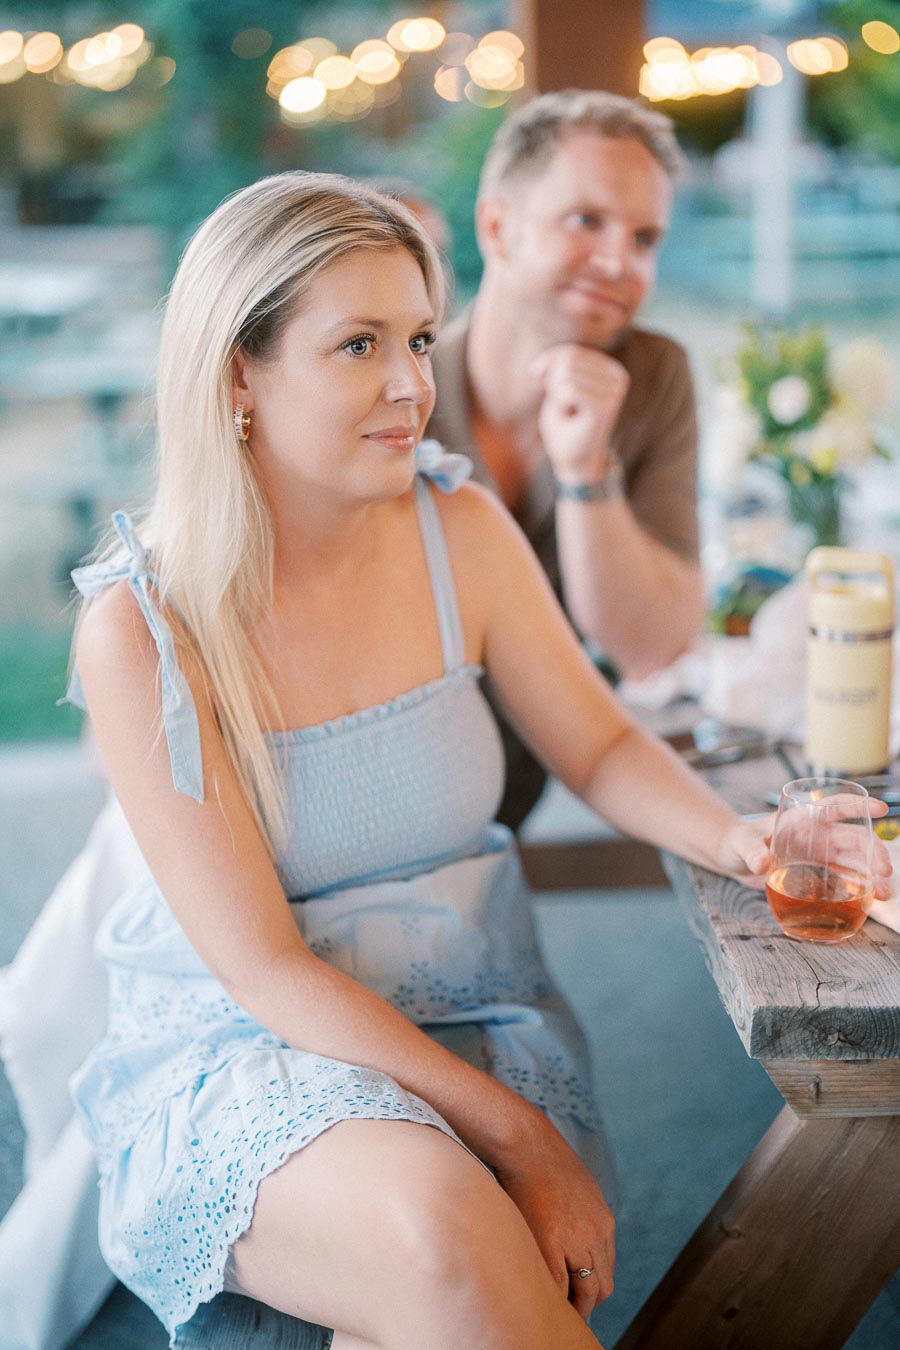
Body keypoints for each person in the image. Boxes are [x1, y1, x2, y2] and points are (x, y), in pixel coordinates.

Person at [19, 172, 783, 1350]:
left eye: (421, 337)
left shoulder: (457, 528)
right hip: (248, 1048)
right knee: (443, 1230)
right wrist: (519, 1139)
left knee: (436, 1295)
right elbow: (265, 973)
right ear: (237, 374)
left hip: (474, 1012)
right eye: (359, 344)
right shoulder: (142, 627)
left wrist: (745, 839)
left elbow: (600, 739)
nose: (411, 385)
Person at [427, 90, 705, 830]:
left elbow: (649, 647)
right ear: (498, 228)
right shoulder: (400, 388)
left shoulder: (654, 377)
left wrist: (588, 473)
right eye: (586, 221)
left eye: (645, 239)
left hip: (509, 804)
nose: (619, 261)